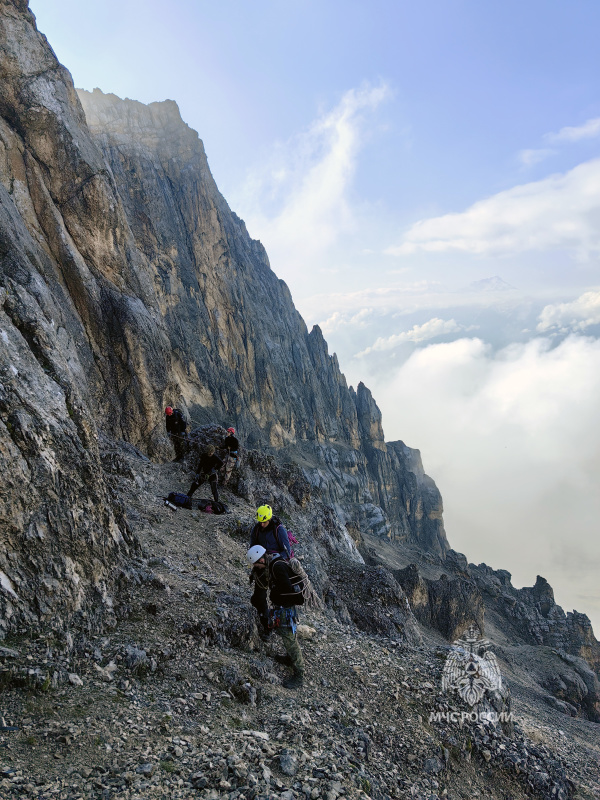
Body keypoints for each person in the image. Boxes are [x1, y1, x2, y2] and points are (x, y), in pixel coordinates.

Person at [247, 545, 305, 689]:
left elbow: (286, 587)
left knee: (289, 638)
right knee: (288, 635)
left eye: (256, 563)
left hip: (286, 607)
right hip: (285, 606)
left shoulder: (276, 567)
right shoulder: (273, 562)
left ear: (261, 559)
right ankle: (289, 658)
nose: (256, 566)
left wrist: (273, 595)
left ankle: (299, 674)